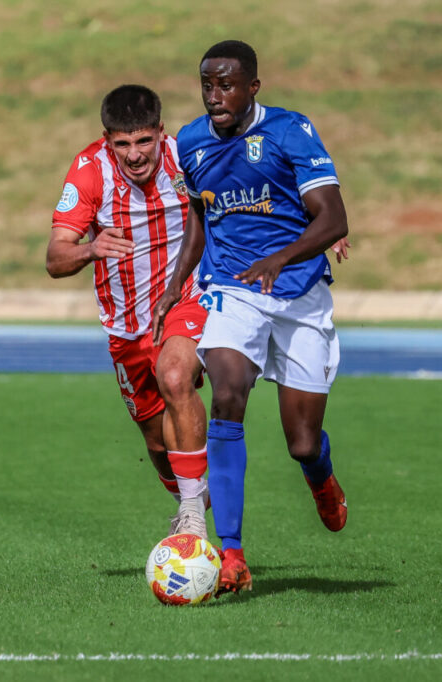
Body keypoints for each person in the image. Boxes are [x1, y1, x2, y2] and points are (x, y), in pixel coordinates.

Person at [153, 40, 351, 594]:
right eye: (207, 85)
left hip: (298, 292)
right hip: (233, 289)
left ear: (253, 88)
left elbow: (332, 217)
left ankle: (321, 477)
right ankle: (232, 553)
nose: (215, 96)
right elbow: (199, 221)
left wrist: (281, 257)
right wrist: (175, 286)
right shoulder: (189, 143)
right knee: (227, 390)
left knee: (302, 442)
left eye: (227, 85)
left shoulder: (291, 132)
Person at [46, 85, 210, 538]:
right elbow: (55, 258)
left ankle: (194, 519)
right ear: (107, 139)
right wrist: (91, 248)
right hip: (127, 326)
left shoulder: (189, 155)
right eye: (122, 144)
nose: (135, 155)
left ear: (160, 131)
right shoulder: (88, 172)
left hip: (187, 298)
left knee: (175, 377)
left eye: (143, 141)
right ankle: (192, 496)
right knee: (158, 445)